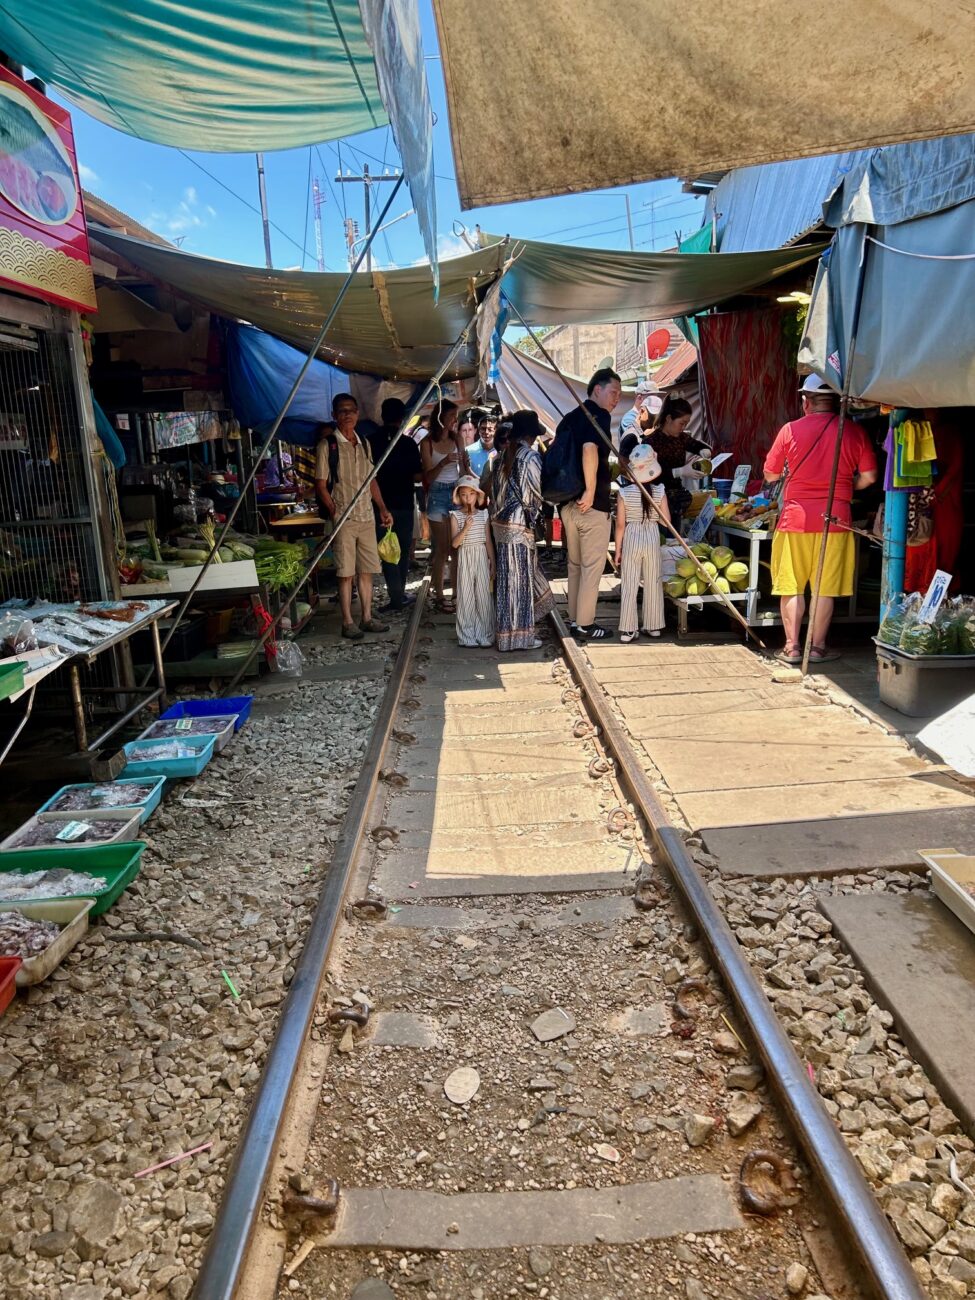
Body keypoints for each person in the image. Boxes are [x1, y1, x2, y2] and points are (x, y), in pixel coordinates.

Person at [763, 374, 878, 664]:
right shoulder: (853, 432)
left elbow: (771, 475)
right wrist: (842, 488)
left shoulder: (789, 430)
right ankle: (817, 648)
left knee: (791, 585)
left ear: (806, 402)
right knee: (825, 588)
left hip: (795, 519)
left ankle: (791, 647)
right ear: (839, 402)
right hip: (836, 519)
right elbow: (870, 477)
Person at [315, 393, 394, 639]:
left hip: (367, 517)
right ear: (334, 415)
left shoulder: (365, 444)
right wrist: (334, 510)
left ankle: (367, 618)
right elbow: (320, 484)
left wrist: (382, 508)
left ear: (358, 414)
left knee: (367, 570)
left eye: (351, 410)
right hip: (345, 520)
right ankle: (348, 622)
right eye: (342, 411)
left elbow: (371, 481)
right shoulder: (327, 445)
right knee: (346, 572)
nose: (347, 414)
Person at [557, 367, 621, 640]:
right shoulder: (599, 416)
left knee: (575, 566)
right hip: (590, 506)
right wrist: (592, 491)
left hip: (567, 504)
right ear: (597, 389)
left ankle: (574, 619)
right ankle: (584, 623)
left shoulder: (570, 418)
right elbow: (589, 449)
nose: (616, 398)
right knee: (592, 568)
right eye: (613, 392)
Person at [492, 410, 554, 652]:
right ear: (530, 435)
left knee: (507, 583)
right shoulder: (530, 457)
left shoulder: (499, 458)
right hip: (520, 527)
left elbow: (495, 494)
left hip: (500, 526)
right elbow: (538, 493)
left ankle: (506, 636)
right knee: (521, 584)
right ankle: (521, 638)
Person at [367, 397, 422, 611]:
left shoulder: (370, 441)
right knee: (402, 550)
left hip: (379, 505)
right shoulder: (408, 443)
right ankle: (399, 594)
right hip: (405, 504)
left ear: (382, 416)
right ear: (403, 418)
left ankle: (396, 596)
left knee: (387, 550)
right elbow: (417, 476)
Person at [614, 444, 670, 643]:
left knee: (629, 583)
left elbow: (620, 525)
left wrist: (617, 551)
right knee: (653, 581)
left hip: (631, 536)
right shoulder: (659, 490)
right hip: (652, 536)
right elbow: (666, 521)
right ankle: (653, 626)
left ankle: (628, 630)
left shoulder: (624, 493)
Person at [420, 400, 467, 612]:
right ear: (440, 418)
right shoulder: (427, 443)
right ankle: (439, 595)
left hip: (456, 492)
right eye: (451, 417)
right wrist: (445, 461)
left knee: (456, 548)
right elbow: (427, 476)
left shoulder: (458, 438)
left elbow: (464, 469)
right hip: (437, 494)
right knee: (442, 549)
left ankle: (457, 595)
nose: (454, 421)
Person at [646, 395, 708, 527]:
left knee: (673, 541)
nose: (683, 427)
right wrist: (679, 471)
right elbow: (649, 476)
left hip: (677, 500)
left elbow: (696, 445)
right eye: (681, 423)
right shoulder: (650, 442)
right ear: (668, 418)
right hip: (656, 503)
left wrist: (704, 451)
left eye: (686, 423)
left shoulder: (681, 438)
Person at [450, 474, 495, 647]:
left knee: (483, 596)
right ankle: (466, 635)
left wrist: (493, 563)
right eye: (463, 495)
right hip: (465, 555)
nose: (468, 498)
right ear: (459, 497)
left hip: (481, 555)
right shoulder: (455, 515)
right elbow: (454, 544)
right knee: (466, 595)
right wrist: (466, 528)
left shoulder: (484, 515)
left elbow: (488, 541)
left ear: (477, 496)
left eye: (471, 494)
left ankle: (484, 633)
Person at [467, 411, 497, 478]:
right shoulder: (468, 451)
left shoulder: (501, 452)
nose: (486, 432)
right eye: (483, 429)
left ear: (496, 431)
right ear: (478, 430)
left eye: (490, 429)